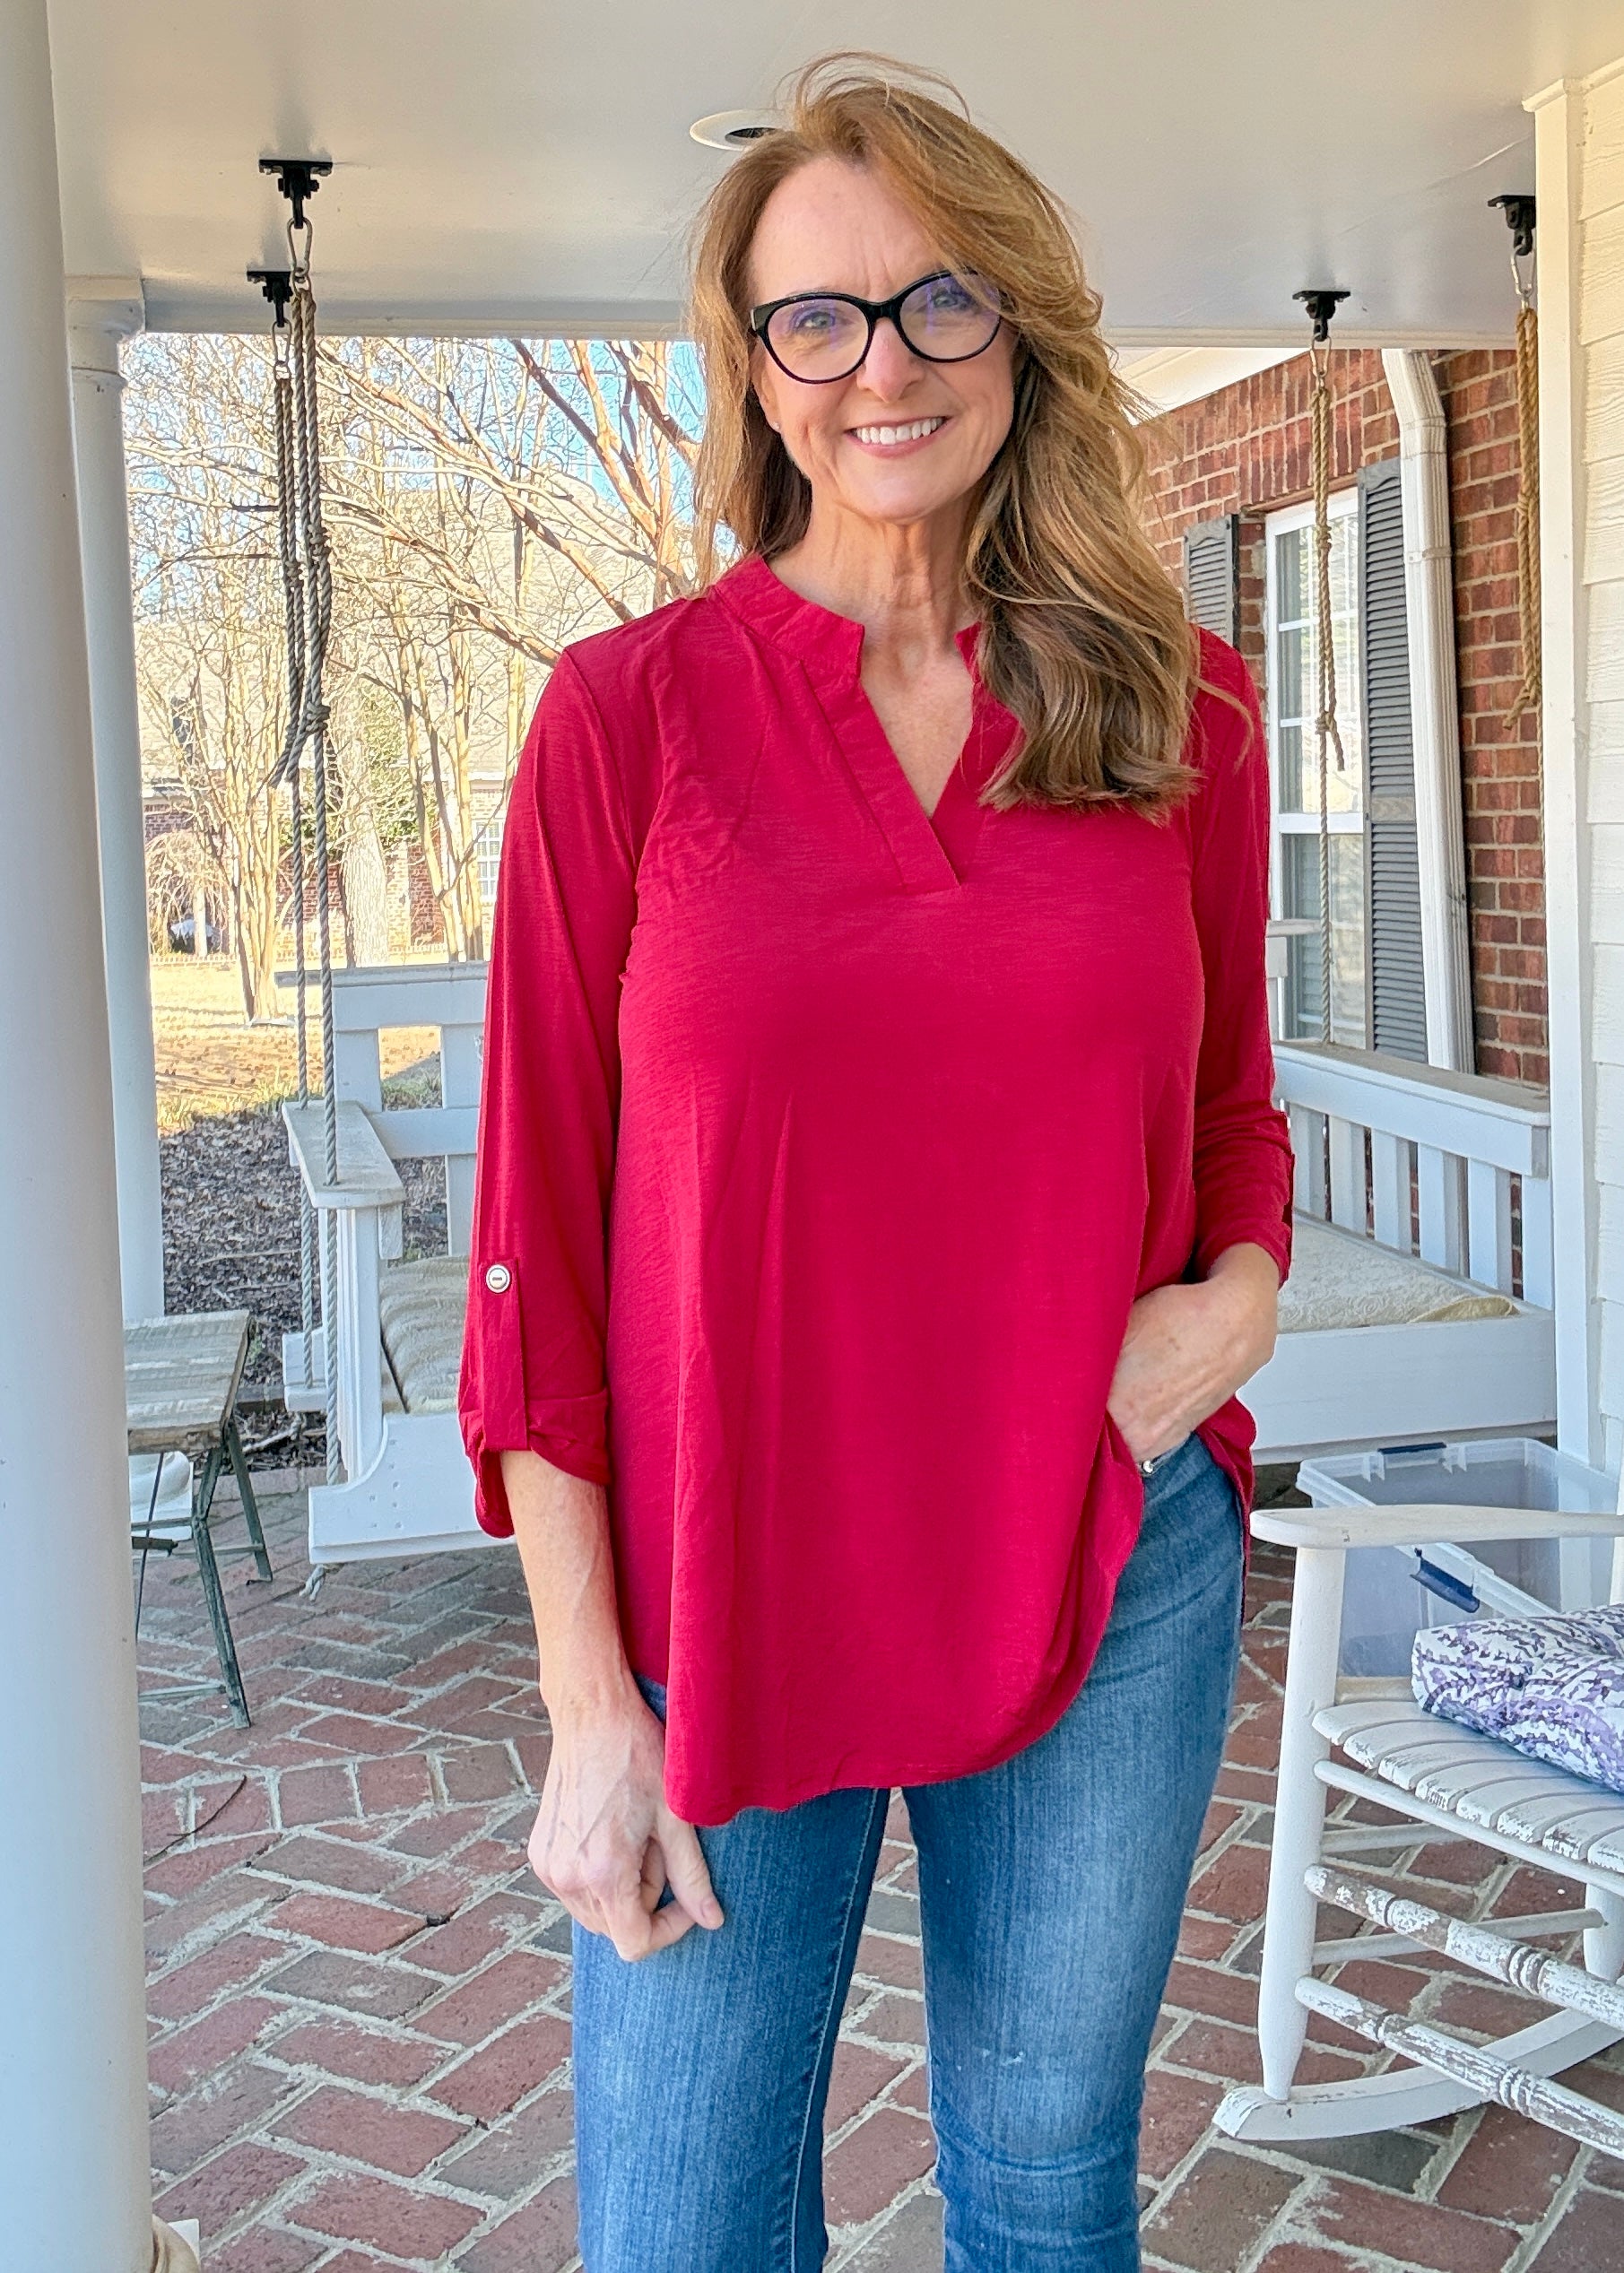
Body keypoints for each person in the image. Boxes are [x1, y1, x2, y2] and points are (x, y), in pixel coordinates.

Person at [459, 53, 1292, 2273]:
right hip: (721, 1584)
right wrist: (584, 1705)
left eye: (939, 300)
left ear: (1019, 325)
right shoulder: (626, 719)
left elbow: (1233, 1116)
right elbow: (532, 1245)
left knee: (1044, 2188)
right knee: (682, 2227)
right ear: (754, 367)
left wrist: (1231, 1311)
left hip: (1104, 1550)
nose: (884, 366)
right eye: (814, 318)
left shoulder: (1182, 712)